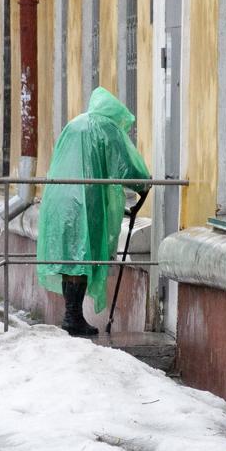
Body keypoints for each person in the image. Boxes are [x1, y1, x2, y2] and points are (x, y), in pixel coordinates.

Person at [36, 87, 151, 337]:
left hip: (58, 199)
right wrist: (144, 182)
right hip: (85, 199)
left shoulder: (74, 124)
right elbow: (127, 166)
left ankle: (71, 314)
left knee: (70, 256)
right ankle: (73, 317)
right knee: (82, 255)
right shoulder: (106, 127)